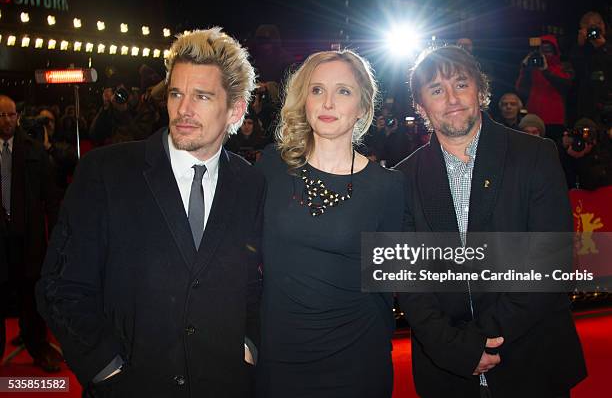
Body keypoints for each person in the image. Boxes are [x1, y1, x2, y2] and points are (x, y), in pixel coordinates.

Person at [36, 27, 265, 397]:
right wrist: (105, 369)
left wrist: (249, 347)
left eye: (202, 96)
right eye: (176, 93)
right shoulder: (106, 172)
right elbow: (60, 286)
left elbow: (255, 283)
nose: (183, 109)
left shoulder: (251, 183)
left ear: (235, 109)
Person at [395, 46, 586, 397]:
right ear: (421, 107)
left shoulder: (536, 155)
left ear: (481, 91)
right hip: (446, 370)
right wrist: (454, 347)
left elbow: (550, 263)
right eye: (436, 90)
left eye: (461, 83)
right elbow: (408, 280)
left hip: (532, 360)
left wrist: (482, 339)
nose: (451, 98)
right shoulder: (402, 178)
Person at [255, 50, 404, 398]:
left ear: (363, 109)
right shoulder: (270, 168)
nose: (328, 102)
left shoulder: (388, 186)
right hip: (279, 361)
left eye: (344, 91)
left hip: (357, 363)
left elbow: (402, 279)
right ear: (304, 100)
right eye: (317, 90)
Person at [0, 95, 62, 372]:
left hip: (29, 238)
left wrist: (58, 239)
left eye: (12, 115)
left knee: (31, 296)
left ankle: (38, 347)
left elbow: (52, 199)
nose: (8, 121)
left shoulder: (34, 151)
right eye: (2, 116)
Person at [516, 34, 572, 142]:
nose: (545, 55)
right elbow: (521, 90)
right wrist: (525, 68)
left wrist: (546, 71)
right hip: (534, 120)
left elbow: (566, 86)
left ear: (555, 52)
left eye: (548, 51)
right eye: (541, 51)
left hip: (555, 121)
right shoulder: (531, 69)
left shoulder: (562, 68)